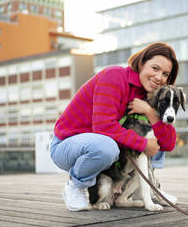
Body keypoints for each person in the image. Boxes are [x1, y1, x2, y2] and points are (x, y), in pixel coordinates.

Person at [50, 42, 179, 211]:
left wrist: (149, 111)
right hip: (67, 145)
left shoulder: (150, 95)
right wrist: (143, 144)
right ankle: (75, 185)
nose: (159, 77)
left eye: (165, 74)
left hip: (104, 150)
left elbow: (167, 143)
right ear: (141, 64)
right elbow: (103, 126)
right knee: (107, 147)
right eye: (155, 68)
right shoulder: (114, 76)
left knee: (155, 136)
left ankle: (145, 188)